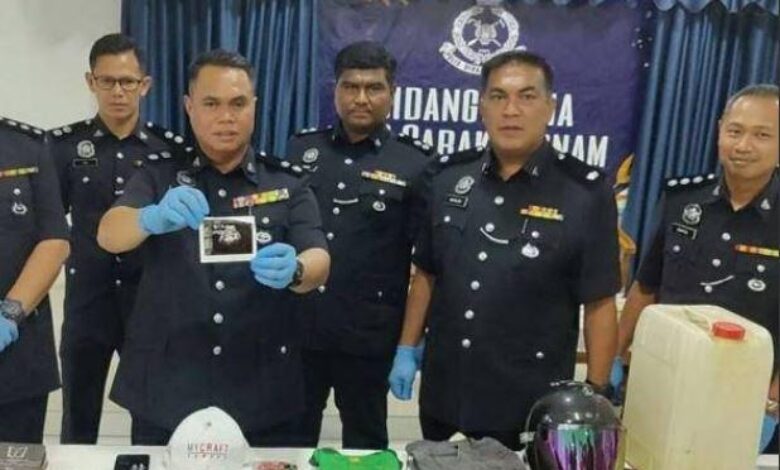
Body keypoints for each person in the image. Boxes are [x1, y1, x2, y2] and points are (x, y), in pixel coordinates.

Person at [388, 50, 620, 450]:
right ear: (481, 107)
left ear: (550, 107)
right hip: (446, 391)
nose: (511, 110)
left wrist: (595, 394)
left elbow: (599, 300)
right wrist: (406, 347)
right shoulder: (446, 177)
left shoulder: (584, 191)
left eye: (527, 96)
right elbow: (426, 272)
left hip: (528, 401)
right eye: (498, 96)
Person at [97, 49, 330, 446]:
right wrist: (150, 217)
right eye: (211, 103)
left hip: (260, 384)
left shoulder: (287, 183)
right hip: (168, 385)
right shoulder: (158, 174)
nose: (226, 116)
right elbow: (108, 233)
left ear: (254, 106)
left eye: (238, 103)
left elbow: (318, 257)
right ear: (189, 107)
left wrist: (296, 271)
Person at [614, 84, 779, 453]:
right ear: (719, 131)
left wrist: (772, 403)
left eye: (762, 135)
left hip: (749, 396)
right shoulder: (682, 199)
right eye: (735, 131)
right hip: (664, 381)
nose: (743, 145)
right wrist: (615, 355)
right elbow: (646, 286)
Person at [285, 41, 430, 449]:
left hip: (369, 338)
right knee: (288, 444)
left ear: (392, 93)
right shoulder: (302, 149)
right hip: (300, 329)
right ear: (335, 90)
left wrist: (410, 342)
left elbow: (427, 262)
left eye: (374, 88)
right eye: (350, 86)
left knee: (366, 448)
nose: (361, 98)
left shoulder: (416, 163)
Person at [48, 33, 181, 444]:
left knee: (153, 416)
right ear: (91, 82)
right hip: (88, 300)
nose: (118, 91)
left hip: (149, 300)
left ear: (146, 84)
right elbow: (49, 226)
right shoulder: (64, 147)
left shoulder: (170, 150)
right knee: (78, 417)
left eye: (127, 81)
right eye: (107, 81)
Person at [0, 117, 70, 443]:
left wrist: (9, 314)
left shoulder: (26, 146)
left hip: (15, 355)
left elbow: (54, 241)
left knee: (17, 459)